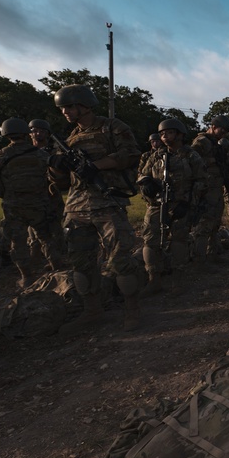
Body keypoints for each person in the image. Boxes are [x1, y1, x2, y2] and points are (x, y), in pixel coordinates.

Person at [47, 84, 143, 333]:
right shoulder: (68, 139)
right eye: (62, 109)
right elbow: (60, 182)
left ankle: (132, 310)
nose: (65, 112)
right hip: (77, 208)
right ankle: (92, 311)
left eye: (68, 107)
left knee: (121, 260)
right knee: (81, 263)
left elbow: (131, 154)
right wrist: (56, 165)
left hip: (108, 203)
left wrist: (97, 166)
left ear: (84, 105)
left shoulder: (112, 127)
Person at [0, 118, 64, 287]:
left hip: (14, 206)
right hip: (40, 204)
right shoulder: (41, 154)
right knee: (47, 238)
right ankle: (58, 270)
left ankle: (27, 277)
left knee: (18, 242)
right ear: (26, 133)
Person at [136, 118, 206, 296]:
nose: (164, 136)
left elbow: (201, 181)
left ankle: (177, 282)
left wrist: (188, 203)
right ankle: (154, 279)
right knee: (150, 241)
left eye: (168, 132)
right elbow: (142, 174)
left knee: (178, 241)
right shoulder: (156, 155)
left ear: (180, 135)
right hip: (156, 205)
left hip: (180, 205)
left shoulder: (191, 156)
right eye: (161, 133)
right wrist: (145, 184)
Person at [27, 118, 67, 269]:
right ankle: (36, 257)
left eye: (42, 131)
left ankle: (57, 259)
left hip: (51, 195)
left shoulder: (55, 151)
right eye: (34, 131)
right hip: (32, 196)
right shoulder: (25, 151)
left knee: (55, 227)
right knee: (33, 229)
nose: (38, 134)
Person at [190, 116, 229, 262]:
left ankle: (213, 253)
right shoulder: (202, 142)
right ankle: (199, 259)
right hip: (205, 190)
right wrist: (213, 161)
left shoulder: (215, 143)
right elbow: (190, 160)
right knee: (204, 224)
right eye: (222, 130)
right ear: (213, 126)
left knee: (215, 222)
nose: (224, 134)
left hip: (216, 189)